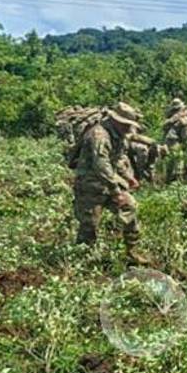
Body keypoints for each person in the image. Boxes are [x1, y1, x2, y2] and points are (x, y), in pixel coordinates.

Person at [70, 103, 146, 264]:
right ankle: (82, 261)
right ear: (116, 120)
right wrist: (116, 191)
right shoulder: (98, 135)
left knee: (130, 207)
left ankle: (131, 252)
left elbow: (116, 160)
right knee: (89, 225)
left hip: (109, 182)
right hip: (90, 185)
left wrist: (127, 176)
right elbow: (101, 165)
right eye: (126, 124)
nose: (128, 128)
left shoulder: (118, 135)